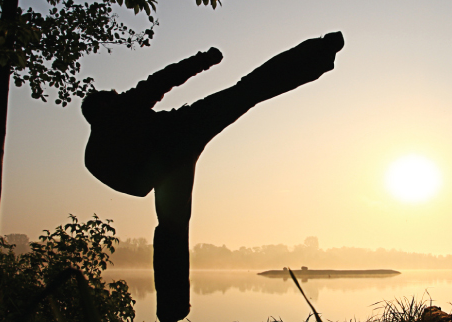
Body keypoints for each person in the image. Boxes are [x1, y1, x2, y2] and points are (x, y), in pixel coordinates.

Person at [81, 32, 344, 321]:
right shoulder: (118, 113)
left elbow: (125, 182)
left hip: (168, 164)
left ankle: (171, 311)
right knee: (246, 91)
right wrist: (203, 60)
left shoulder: (96, 149)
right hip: (183, 132)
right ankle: (320, 52)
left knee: (171, 231)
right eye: (114, 96)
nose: (121, 95)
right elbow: (160, 81)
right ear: (104, 106)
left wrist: (149, 177)